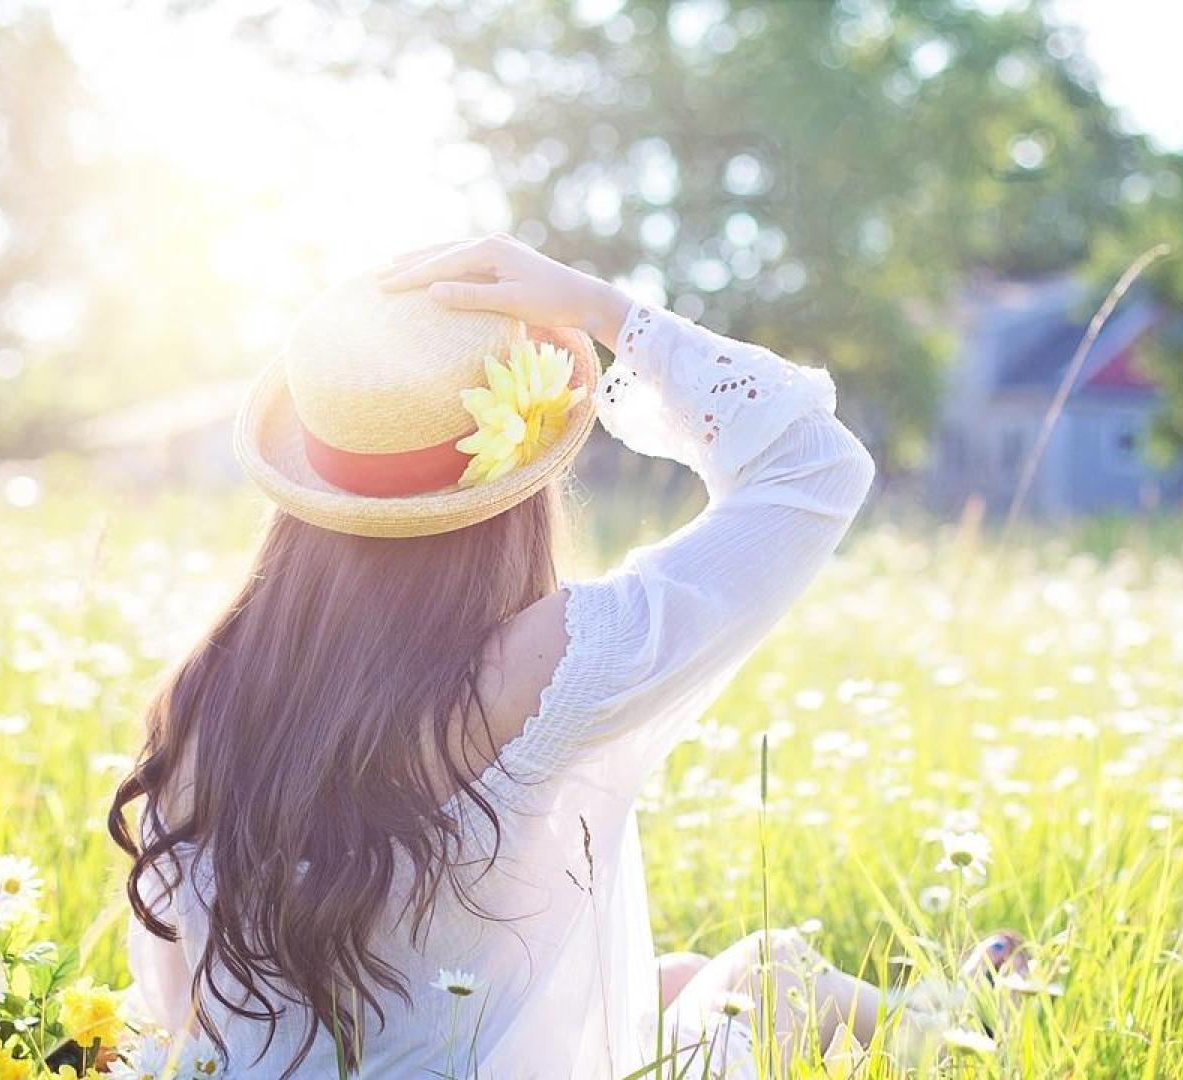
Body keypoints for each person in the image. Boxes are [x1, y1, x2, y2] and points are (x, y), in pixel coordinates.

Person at [109, 236, 1017, 1078]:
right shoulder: (537, 665)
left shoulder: (208, 685)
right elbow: (815, 465)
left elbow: (184, 1001)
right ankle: (951, 1021)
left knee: (677, 977)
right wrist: (605, 310)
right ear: (517, 481)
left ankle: (936, 1008)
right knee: (769, 974)